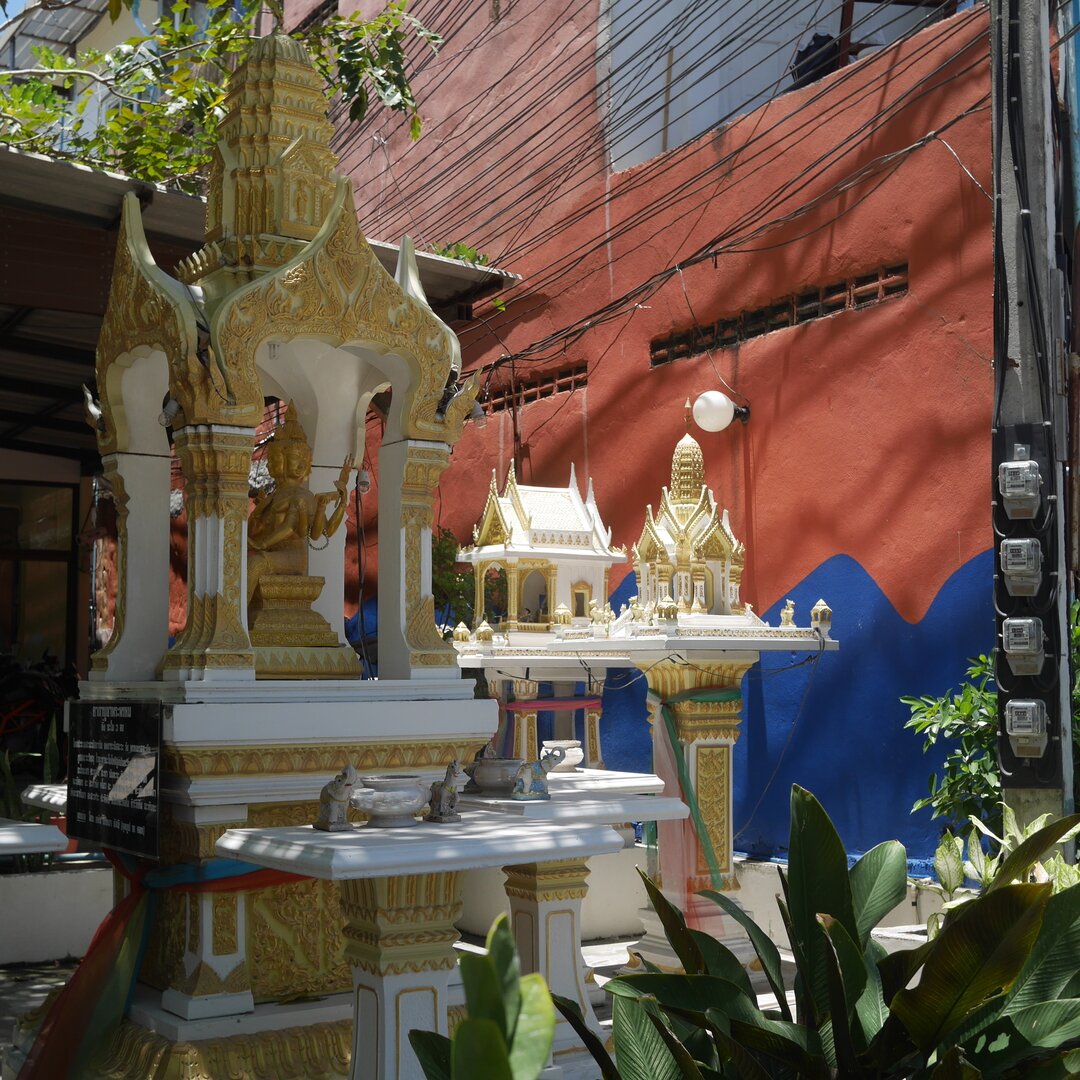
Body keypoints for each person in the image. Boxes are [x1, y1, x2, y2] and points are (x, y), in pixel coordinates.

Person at [247, 404, 353, 606]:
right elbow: (253, 532)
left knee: (256, 564)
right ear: (279, 461)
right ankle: (242, 617)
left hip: (292, 556)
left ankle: (236, 622)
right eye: (295, 458)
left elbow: (318, 533)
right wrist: (261, 509)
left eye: (303, 459)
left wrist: (340, 502)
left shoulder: (304, 496)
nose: (300, 465)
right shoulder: (273, 496)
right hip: (272, 553)